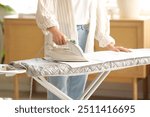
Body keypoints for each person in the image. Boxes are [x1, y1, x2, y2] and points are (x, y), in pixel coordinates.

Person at [36, 0, 129, 100]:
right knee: (58, 83)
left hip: (85, 33)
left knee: (78, 82)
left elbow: (99, 11)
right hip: (61, 32)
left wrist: (109, 44)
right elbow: (44, 8)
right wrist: (55, 31)